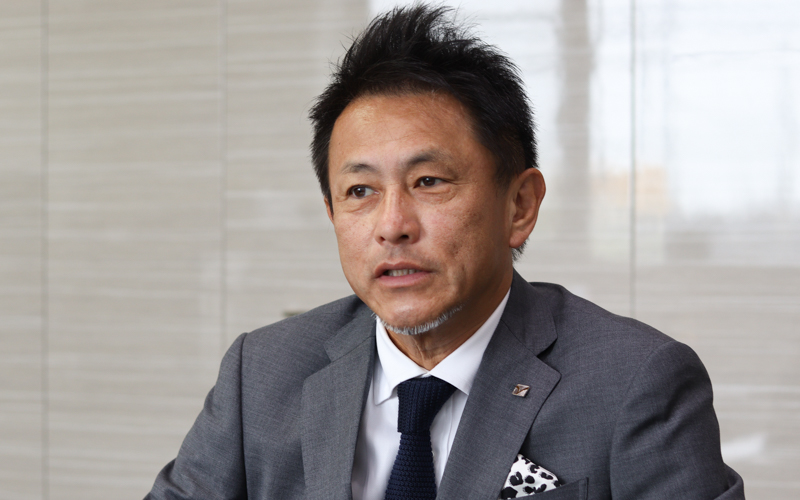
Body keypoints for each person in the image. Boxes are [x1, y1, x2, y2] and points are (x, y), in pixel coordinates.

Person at [146, 5, 744, 499]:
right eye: (360, 191)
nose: (392, 226)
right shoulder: (262, 372)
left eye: (429, 181)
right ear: (331, 213)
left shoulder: (635, 382)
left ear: (519, 206)